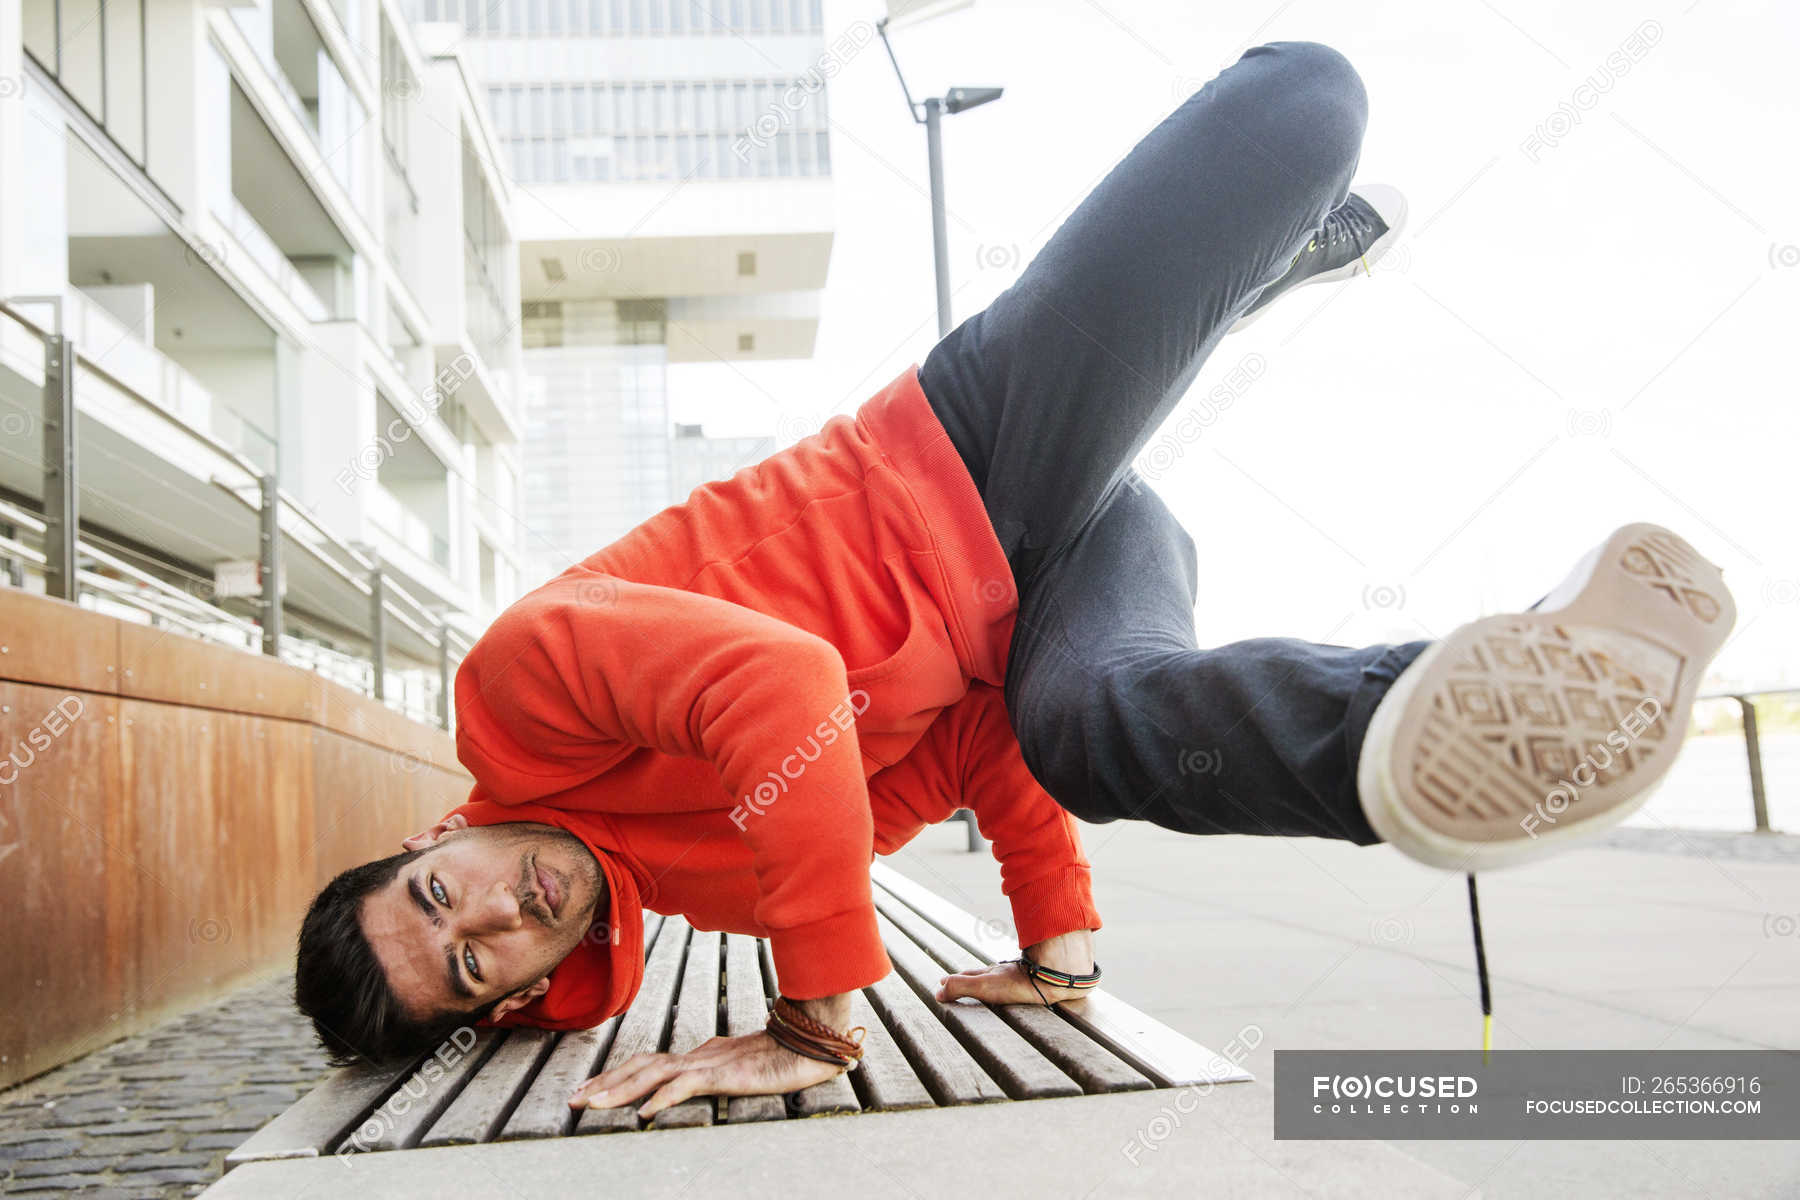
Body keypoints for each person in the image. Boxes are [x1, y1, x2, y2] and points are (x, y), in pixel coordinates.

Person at [294, 40, 1734, 1120]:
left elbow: (779, 683)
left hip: (966, 452)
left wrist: (810, 1019)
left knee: (1305, 103)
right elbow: (975, 742)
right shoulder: (720, 891)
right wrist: (1056, 942)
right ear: (528, 994)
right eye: (479, 967)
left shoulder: (520, 691)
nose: (493, 917)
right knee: (1086, 727)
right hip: (1077, 573)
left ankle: (1251, 267)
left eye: (437, 900)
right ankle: (1452, 711)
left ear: (431, 837)